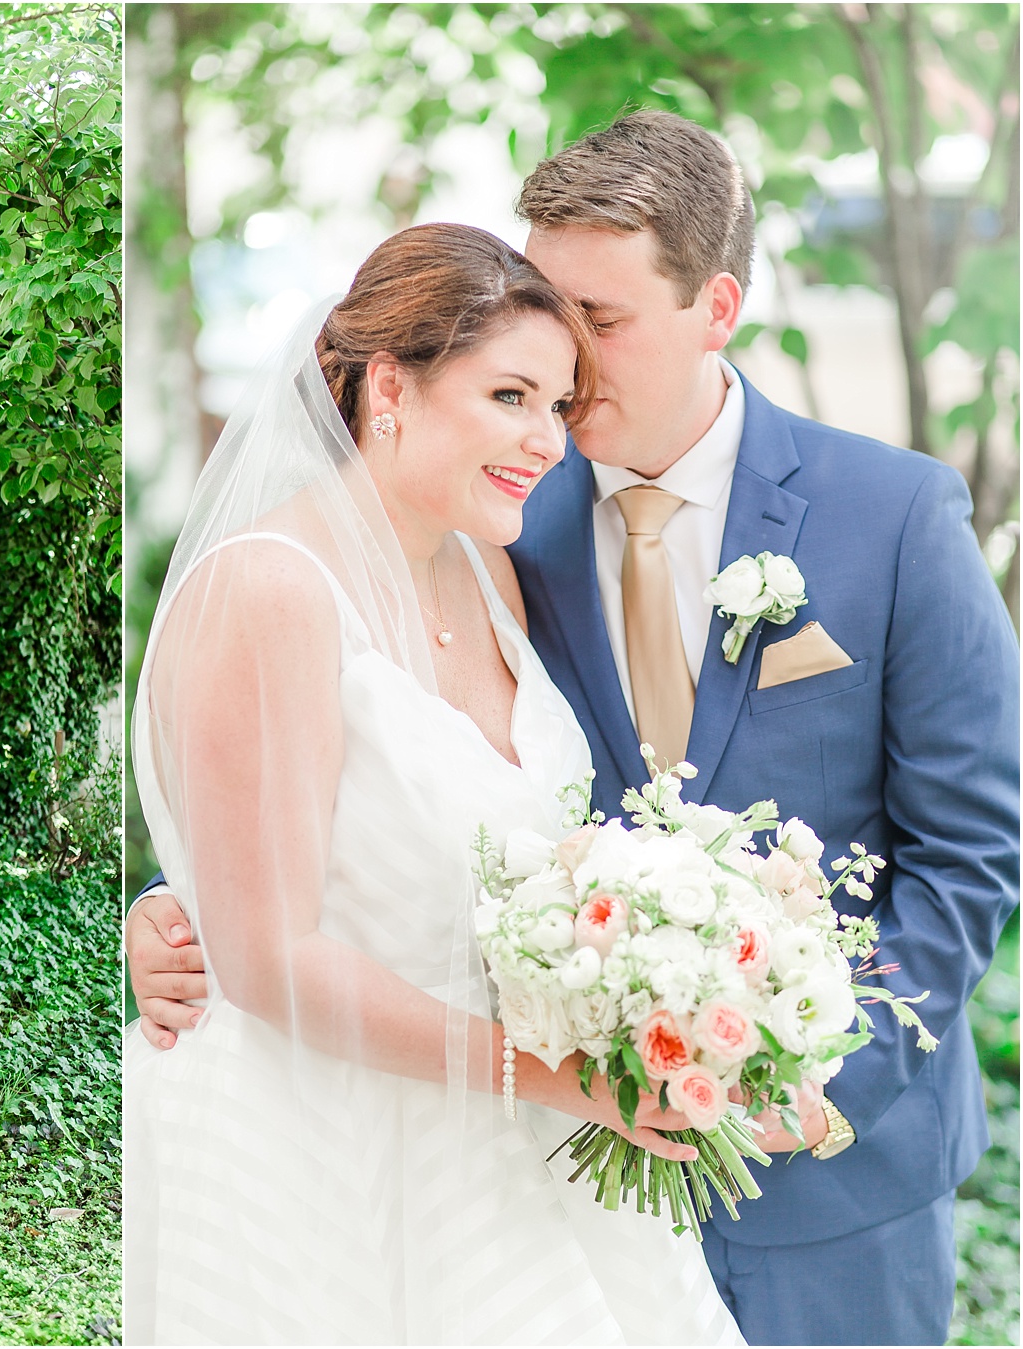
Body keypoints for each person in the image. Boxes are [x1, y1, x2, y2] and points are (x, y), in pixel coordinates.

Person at [127, 111, 1020, 1346]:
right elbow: (328, 796)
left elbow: (969, 854)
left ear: (715, 307)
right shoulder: (500, 530)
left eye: (601, 324)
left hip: (826, 1177)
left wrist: (803, 1078)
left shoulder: (898, 514)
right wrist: (186, 917)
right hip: (516, 1165)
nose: (569, 390)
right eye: (544, 337)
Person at [126, 221, 743, 1344]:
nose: (546, 439)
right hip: (330, 1149)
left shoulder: (485, 563)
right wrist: (559, 1075)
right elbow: (269, 963)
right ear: (388, 384)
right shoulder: (273, 590)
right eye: (510, 394)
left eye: (557, 405)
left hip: (516, 1141)